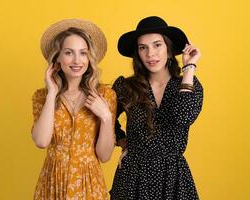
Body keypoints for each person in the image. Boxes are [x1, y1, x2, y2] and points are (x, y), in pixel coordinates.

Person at [110, 16, 204, 199]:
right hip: (132, 178)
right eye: (143, 47)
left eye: (157, 45)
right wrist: (123, 142)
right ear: (137, 53)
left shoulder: (189, 84)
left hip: (173, 180)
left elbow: (183, 117)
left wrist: (190, 67)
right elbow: (104, 119)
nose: (150, 54)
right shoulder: (125, 87)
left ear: (169, 49)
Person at [31, 19, 116, 200]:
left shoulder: (105, 95)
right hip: (53, 182)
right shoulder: (42, 96)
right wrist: (52, 93)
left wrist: (106, 117)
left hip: (89, 184)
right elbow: (41, 141)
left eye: (83, 53)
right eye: (69, 53)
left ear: (89, 58)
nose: (77, 60)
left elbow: (104, 155)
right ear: (58, 59)